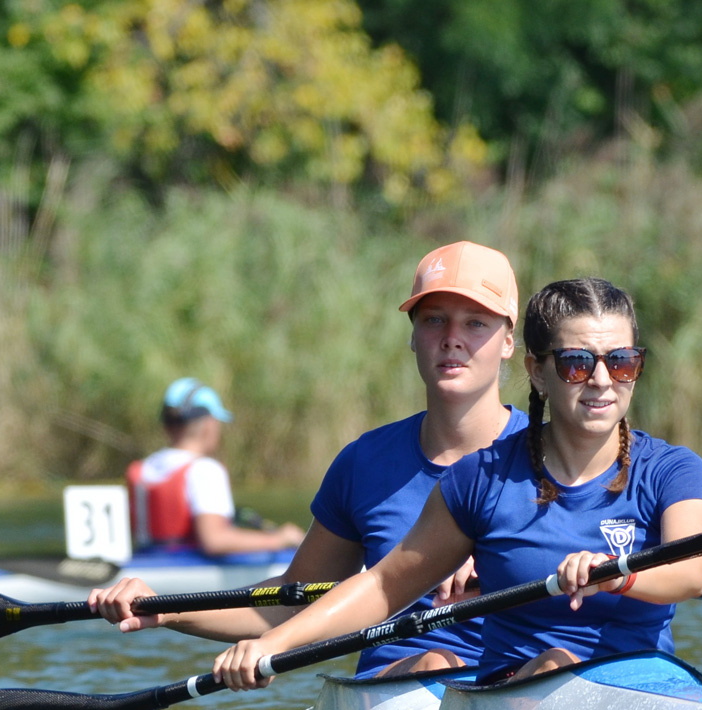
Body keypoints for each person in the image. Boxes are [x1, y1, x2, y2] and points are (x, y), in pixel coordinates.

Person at [212, 277, 702, 692]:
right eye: (576, 363)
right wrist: (273, 645)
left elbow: (689, 573)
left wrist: (618, 576)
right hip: (515, 692)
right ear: (537, 373)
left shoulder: (675, 471)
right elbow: (386, 585)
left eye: (623, 361)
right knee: (554, 663)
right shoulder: (481, 479)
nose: (603, 380)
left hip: (648, 686)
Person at [93, 240, 528, 677]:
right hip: (398, 684)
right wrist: (168, 611)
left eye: (475, 323)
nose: (452, 339)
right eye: (434, 320)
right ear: (413, 337)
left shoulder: (551, 456)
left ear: (508, 341)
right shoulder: (365, 463)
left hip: (520, 682)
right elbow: (288, 601)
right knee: (435, 662)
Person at [127, 377, 306, 556]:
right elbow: (214, 541)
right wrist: (278, 540)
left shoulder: (144, 468)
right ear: (208, 425)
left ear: (167, 425)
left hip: (146, 561)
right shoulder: (206, 470)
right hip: (189, 568)